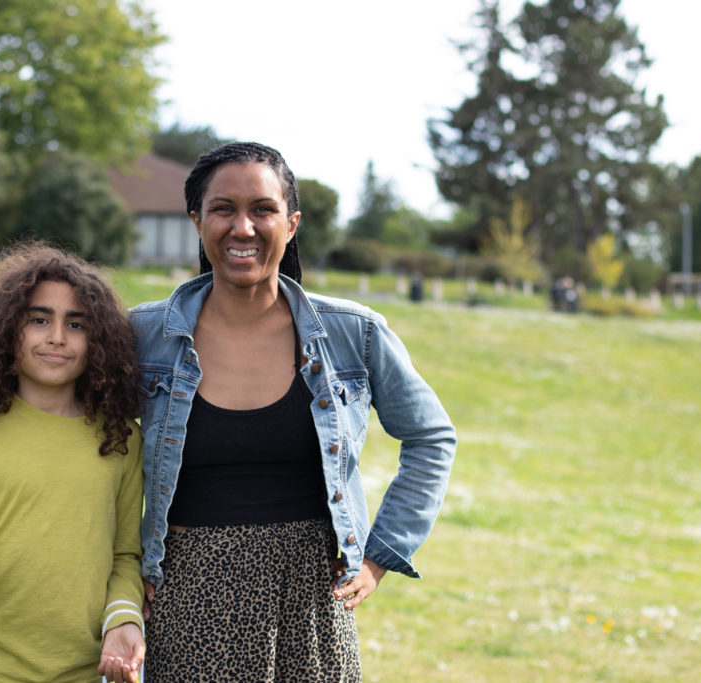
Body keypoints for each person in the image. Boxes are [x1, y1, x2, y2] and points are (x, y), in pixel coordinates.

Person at [129, 142, 457, 680]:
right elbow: (81, 441)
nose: (243, 227)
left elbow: (431, 437)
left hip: (311, 600)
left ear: (291, 223)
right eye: (222, 209)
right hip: (184, 596)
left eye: (262, 209)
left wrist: (381, 555)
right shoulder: (142, 335)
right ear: (196, 220)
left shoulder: (355, 333)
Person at [0, 243, 146, 683]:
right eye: (39, 319)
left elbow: (124, 555)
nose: (57, 337)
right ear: (6, 330)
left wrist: (124, 619)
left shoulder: (121, 438)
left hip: (82, 671)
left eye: (75, 323)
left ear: (98, 339)